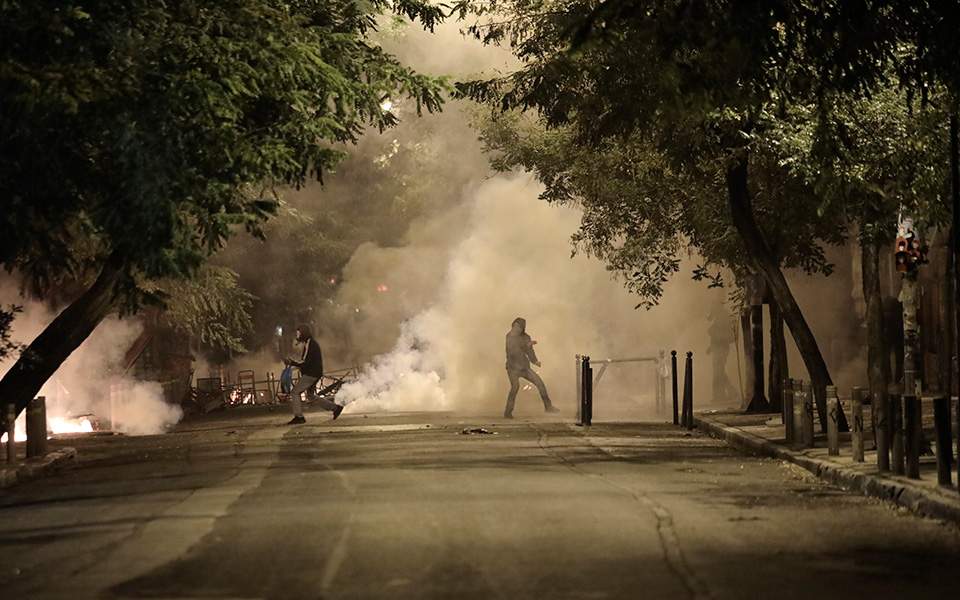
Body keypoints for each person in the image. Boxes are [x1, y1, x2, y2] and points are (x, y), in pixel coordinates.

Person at [284, 325, 343, 425]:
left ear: (303, 333)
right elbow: (306, 362)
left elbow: (305, 362)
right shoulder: (310, 343)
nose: (297, 335)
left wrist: (292, 363)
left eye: (299, 333)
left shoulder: (310, 344)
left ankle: (299, 417)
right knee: (310, 396)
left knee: (295, 392)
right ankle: (336, 408)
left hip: (311, 373)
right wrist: (294, 364)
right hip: (314, 372)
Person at [504, 317, 559, 418]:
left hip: (524, 367)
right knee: (515, 387)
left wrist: (535, 361)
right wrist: (526, 345)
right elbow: (512, 351)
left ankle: (548, 407)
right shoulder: (509, 336)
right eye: (515, 326)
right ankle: (508, 412)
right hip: (513, 368)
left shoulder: (526, 337)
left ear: (522, 328)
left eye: (519, 327)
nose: (516, 329)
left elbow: (530, 352)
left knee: (540, 383)